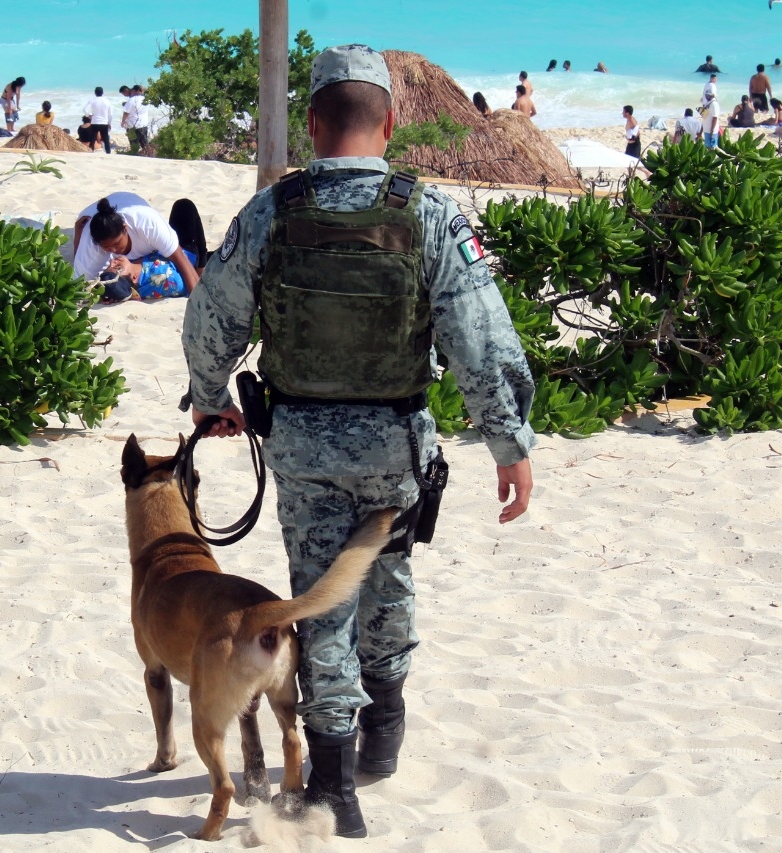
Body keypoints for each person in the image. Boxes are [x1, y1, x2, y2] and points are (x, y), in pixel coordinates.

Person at [180, 43, 535, 839]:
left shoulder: (272, 210)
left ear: (312, 122)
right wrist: (510, 442)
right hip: (395, 443)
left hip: (303, 443)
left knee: (322, 596)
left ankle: (337, 787)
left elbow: (211, 320)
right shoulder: (430, 213)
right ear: (393, 123)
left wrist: (210, 403)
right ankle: (384, 739)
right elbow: (482, 339)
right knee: (388, 577)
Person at [72, 194, 200, 299]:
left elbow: (79, 274)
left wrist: (78, 237)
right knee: (184, 207)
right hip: (189, 254)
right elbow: (182, 259)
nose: (114, 252)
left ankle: (202, 266)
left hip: (127, 206)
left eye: (116, 243)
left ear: (125, 228)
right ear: (134, 277)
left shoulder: (148, 225)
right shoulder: (94, 248)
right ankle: (202, 266)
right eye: (107, 248)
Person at [82, 85, 114, 154]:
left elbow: (84, 109)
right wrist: (109, 123)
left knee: (93, 138)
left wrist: (89, 115)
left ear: (95, 93)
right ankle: (108, 152)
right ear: (102, 92)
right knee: (105, 138)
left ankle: (91, 151)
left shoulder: (92, 100)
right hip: (104, 122)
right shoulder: (107, 101)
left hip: (95, 122)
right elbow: (110, 114)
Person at [122, 84, 149, 154]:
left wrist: (123, 121)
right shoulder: (145, 99)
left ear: (134, 91)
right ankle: (148, 155)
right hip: (144, 123)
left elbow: (126, 112)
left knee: (134, 144)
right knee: (144, 143)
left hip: (132, 125)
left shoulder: (131, 100)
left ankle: (135, 155)